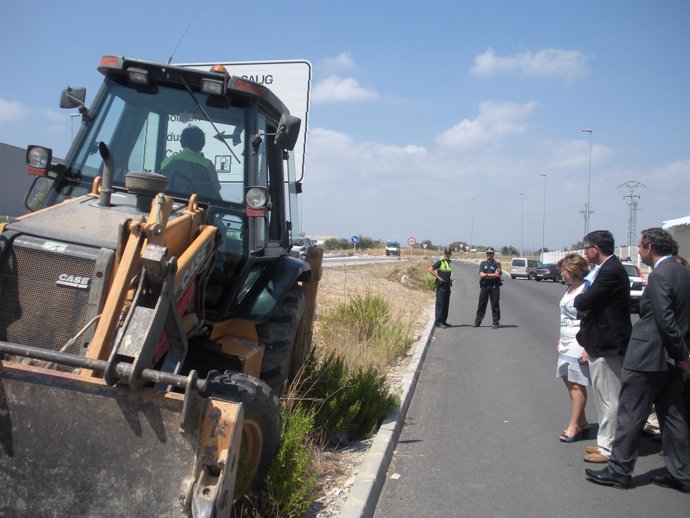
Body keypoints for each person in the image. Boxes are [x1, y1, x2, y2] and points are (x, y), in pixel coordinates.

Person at [585, 228, 690, 492]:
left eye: (641, 247)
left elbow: (664, 321)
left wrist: (682, 355)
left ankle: (619, 471)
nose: (640, 251)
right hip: (671, 361)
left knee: (630, 414)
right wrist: (682, 356)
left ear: (651, 247)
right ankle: (681, 474)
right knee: (674, 418)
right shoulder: (683, 273)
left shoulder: (661, 275)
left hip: (647, 358)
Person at [573, 230, 632, 463]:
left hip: (609, 343)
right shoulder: (606, 269)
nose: (585, 253)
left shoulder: (611, 270)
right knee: (602, 395)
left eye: (586, 248)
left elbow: (586, 300)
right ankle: (604, 442)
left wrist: (580, 301)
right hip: (600, 341)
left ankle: (609, 448)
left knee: (610, 397)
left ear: (595, 249)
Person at [556, 254, 591, 442]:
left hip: (580, 341)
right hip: (567, 340)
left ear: (574, 272)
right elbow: (565, 316)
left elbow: (590, 318)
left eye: (564, 270)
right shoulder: (570, 288)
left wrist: (587, 346)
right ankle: (583, 421)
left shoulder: (586, 289)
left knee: (577, 383)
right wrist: (561, 336)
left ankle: (574, 426)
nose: (561, 273)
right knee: (567, 378)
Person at [161, 125, 222, 199]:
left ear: (181, 143)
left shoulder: (166, 162)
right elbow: (215, 190)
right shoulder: (207, 164)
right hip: (197, 206)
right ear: (202, 144)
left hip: (169, 205)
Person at [474, 247, 502, 329]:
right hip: (485, 286)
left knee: (495, 305)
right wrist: (491, 275)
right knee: (481, 304)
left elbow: (497, 274)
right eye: (487, 253)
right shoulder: (483, 263)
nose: (489, 255)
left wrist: (486, 275)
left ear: (493, 254)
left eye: (490, 253)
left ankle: (496, 322)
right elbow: (481, 274)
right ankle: (478, 321)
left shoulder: (497, 264)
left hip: (494, 286)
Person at [428, 248, 454, 328]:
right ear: (444, 253)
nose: (447, 254)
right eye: (446, 253)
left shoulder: (450, 262)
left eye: (448, 253)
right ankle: (438, 322)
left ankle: (444, 321)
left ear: (451, 254)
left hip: (447, 286)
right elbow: (430, 269)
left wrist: (450, 280)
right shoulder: (440, 261)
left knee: (446, 304)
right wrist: (438, 277)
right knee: (440, 304)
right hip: (441, 285)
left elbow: (448, 273)